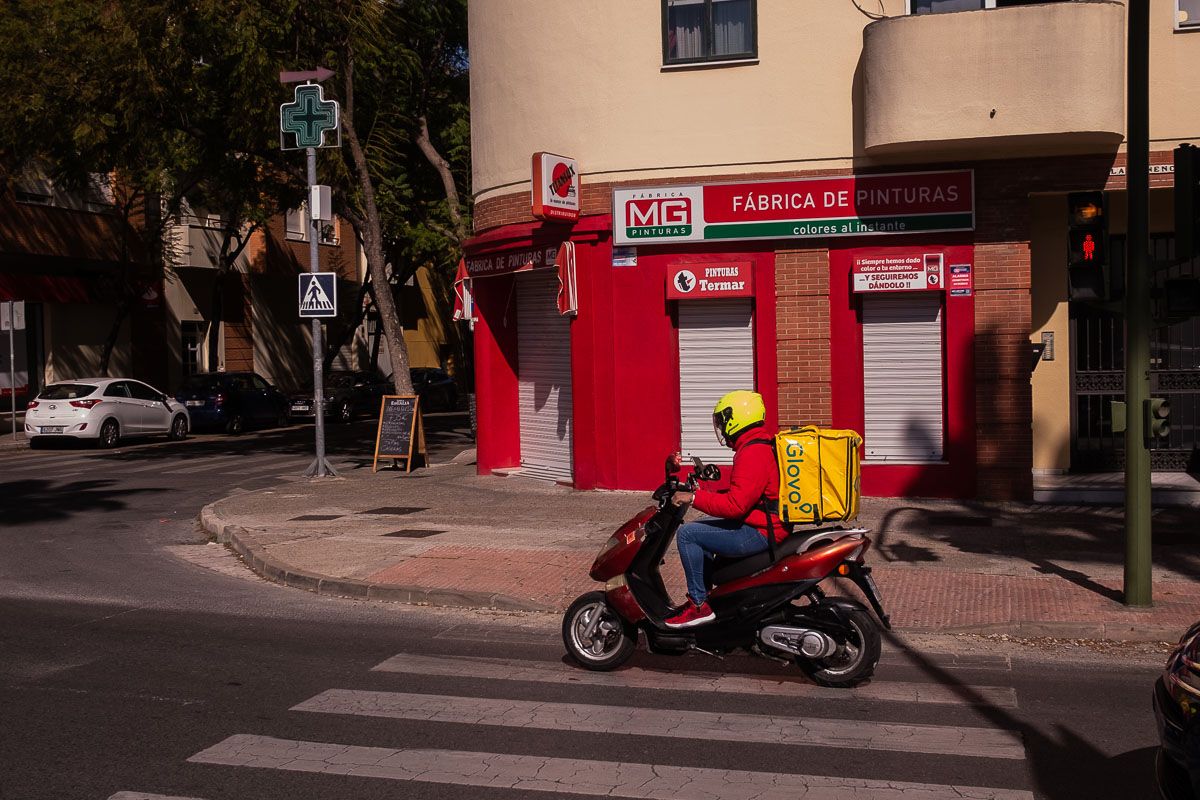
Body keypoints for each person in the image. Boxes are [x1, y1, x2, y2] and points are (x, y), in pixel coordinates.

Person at [664, 390, 783, 629]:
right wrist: (706, 494)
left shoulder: (752, 452)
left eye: (722, 420)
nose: (720, 427)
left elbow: (735, 506)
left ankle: (698, 605)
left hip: (761, 531)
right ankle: (708, 597)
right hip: (762, 523)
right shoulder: (756, 445)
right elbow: (744, 496)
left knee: (688, 534)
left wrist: (694, 498)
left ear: (736, 417)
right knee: (704, 527)